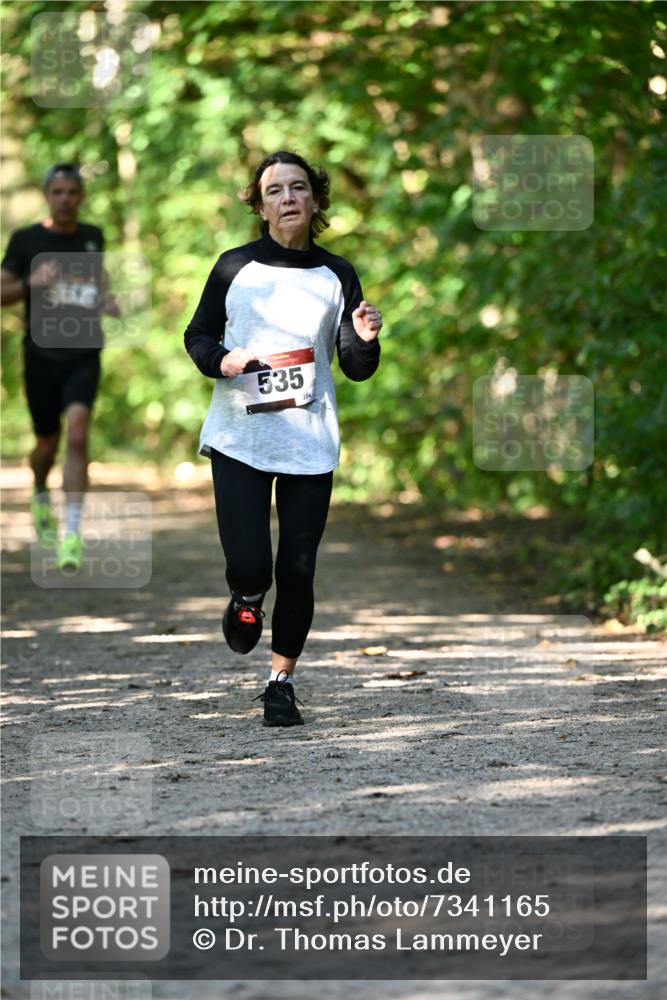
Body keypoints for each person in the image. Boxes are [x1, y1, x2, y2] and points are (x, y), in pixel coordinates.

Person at [184, 150, 383, 727]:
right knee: (253, 565)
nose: (288, 198)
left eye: (299, 188)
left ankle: (281, 681)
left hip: (309, 440)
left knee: (298, 566)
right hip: (239, 435)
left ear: (316, 200)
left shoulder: (337, 273)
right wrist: (222, 360)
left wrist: (365, 338)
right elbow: (197, 334)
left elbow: (354, 366)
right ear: (260, 205)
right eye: (275, 191)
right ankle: (246, 599)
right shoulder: (234, 267)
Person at [1, 163, 118, 571]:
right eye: (59, 192)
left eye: (73, 192)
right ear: (48, 195)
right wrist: (32, 283)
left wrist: (107, 300)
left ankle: (71, 533)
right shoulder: (27, 240)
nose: (66, 198)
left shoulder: (92, 237)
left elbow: (97, 283)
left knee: (79, 432)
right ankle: (38, 487)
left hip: (84, 352)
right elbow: (2, 292)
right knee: (47, 444)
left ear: (80, 197)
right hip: (41, 356)